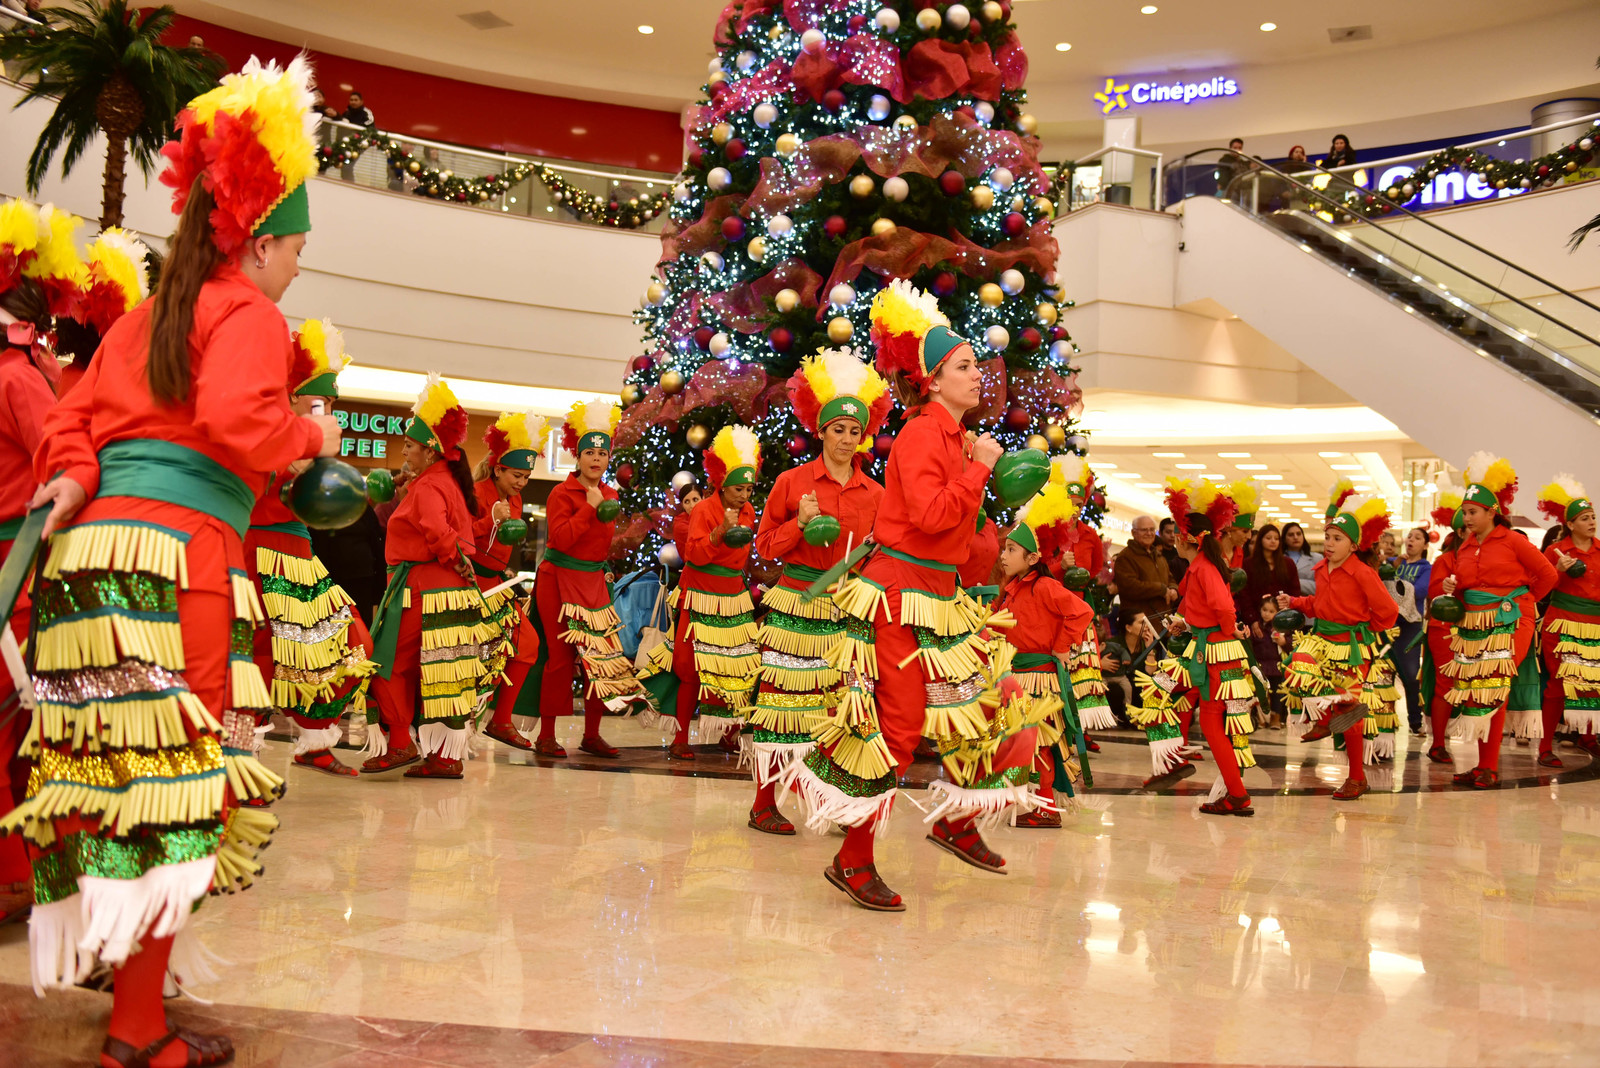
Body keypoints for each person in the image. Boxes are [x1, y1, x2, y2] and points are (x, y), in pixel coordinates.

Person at [0, 56, 336, 1065]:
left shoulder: (145, 317)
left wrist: (67, 473)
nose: (295, 270)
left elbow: (69, 422)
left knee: (110, 772)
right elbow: (243, 422)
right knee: (183, 784)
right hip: (179, 566)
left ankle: (125, 969)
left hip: (91, 565)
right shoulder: (249, 314)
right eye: (297, 252)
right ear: (267, 243)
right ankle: (139, 1030)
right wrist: (312, 437)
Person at [783, 280, 1042, 911]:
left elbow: (958, 536)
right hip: (899, 600)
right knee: (896, 731)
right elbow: (928, 517)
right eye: (964, 366)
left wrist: (994, 501)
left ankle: (955, 820)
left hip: (941, 600)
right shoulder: (929, 434)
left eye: (977, 364)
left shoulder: (955, 439)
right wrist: (982, 470)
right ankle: (852, 861)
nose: (978, 374)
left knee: (985, 705)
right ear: (931, 380)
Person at [0, 200, 118, 927]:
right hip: (18, 565)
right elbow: (64, 457)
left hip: (16, 562)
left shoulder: (24, 373)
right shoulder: (20, 378)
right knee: (18, 727)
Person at [747, 350, 887, 834]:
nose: (847, 439)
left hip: (849, 610)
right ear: (821, 431)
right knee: (783, 705)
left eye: (855, 431)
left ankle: (831, 799)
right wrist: (799, 525)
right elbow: (764, 547)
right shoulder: (791, 482)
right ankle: (764, 803)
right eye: (838, 430)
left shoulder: (876, 495)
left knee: (842, 706)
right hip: (796, 604)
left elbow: (882, 555)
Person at [244, 318, 378, 778]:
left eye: (334, 398)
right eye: (321, 397)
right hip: (257, 547)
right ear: (295, 394)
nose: (330, 405)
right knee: (259, 652)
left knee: (347, 641)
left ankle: (314, 741)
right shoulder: (267, 424)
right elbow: (249, 480)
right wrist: (286, 467)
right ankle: (242, 753)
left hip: (300, 551)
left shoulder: (312, 438)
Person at [361, 373, 508, 779]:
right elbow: (460, 528)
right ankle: (445, 757)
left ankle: (400, 744)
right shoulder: (445, 481)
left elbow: (438, 531)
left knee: (384, 664)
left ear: (429, 450)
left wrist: (452, 554)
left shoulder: (429, 486)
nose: (403, 452)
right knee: (444, 670)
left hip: (421, 587)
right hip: (449, 591)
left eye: (408, 446)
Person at [1133, 477, 1259, 813]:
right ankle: (1230, 790)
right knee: (1191, 712)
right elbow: (1202, 607)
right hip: (1206, 650)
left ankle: (1204, 778)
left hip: (1211, 653)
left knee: (1164, 698)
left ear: (1187, 539)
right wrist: (1184, 621)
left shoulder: (1203, 568)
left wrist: (1229, 631)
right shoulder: (1200, 567)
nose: (1172, 536)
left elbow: (1222, 607)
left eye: (1176, 531)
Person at [526, 399, 643, 758]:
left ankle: (591, 735)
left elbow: (600, 543)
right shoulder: (562, 493)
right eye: (589, 452)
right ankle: (546, 735)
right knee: (559, 658)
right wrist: (588, 508)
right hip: (557, 579)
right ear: (577, 458)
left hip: (592, 583)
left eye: (602, 453)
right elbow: (560, 539)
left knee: (600, 659)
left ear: (608, 459)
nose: (596, 458)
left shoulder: (610, 494)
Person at [640, 424, 761, 759]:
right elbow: (693, 555)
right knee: (690, 667)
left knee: (739, 665)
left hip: (733, 596)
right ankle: (681, 739)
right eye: (739, 489)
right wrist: (720, 531)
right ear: (721, 484)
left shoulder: (749, 511)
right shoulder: (704, 510)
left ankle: (730, 733)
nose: (745, 496)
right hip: (700, 594)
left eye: (749, 490)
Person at [1439, 453, 1557, 788]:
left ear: (1492, 512)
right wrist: (1453, 586)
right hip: (1475, 625)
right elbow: (1464, 586)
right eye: (1464, 512)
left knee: (1494, 688)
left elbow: (1547, 575)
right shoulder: (1465, 546)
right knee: (1479, 689)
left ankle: (1488, 767)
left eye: (1473, 512)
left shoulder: (1514, 541)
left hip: (1511, 622)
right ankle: (1482, 765)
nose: (1467, 518)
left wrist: (1524, 600)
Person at [1279, 492, 1399, 801]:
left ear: (1354, 546)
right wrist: (1294, 602)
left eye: (1337, 538)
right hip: (1321, 640)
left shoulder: (1362, 572)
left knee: (1350, 712)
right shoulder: (1321, 570)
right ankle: (1324, 719)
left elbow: (1388, 612)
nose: (1329, 543)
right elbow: (1320, 605)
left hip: (1351, 647)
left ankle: (1356, 778)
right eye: (1328, 536)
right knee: (1297, 667)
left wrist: (1364, 630)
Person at [995, 483, 1100, 828]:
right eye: (1005, 548)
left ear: (1032, 558)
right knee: (1024, 741)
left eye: (1011, 550)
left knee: (1040, 742)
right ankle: (1027, 801)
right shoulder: (1011, 590)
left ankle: (1045, 808)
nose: (1003, 555)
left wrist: (1061, 645)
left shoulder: (1044, 586)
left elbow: (1081, 612)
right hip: (1018, 674)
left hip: (1040, 675)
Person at [465, 411, 545, 751]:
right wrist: (489, 521)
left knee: (526, 644)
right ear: (498, 468)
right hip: (469, 583)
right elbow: (459, 538)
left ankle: (500, 720)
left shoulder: (515, 498)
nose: (522, 482)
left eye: (526, 477)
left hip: (496, 583)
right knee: (468, 655)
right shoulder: (474, 492)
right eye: (517, 475)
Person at [1537, 476, 1600, 766]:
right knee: (1559, 686)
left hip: (1595, 625)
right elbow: (1539, 589)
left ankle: (1588, 738)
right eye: (1585, 518)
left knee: (1592, 684)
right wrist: (1558, 572)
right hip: (1562, 623)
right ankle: (1544, 747)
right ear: (1571, 524)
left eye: (1593, 517)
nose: (1591, 522)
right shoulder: (1556, 551)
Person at [1421, 478, 1465, 762]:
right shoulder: (1445, 560)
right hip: (1445, 629)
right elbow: (1435, 593)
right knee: (1445, 685)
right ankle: (1438, 742)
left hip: (1482, 628)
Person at [1393, 527, 1432, 732]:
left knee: (1410, 673)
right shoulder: (1395, 564)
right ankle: (1385, 720)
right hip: (1389, 622)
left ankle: (1415, 721)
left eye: (1417, 538)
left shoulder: (1426, 567)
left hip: (1411, 625)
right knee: (1383, 672)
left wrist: (1397, 587)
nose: (1412, 540)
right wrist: (1394, 568)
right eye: (1409, 536)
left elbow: (1421, 590)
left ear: (1425, 545)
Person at [1046, 456, 1104, 584]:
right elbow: (1033, 572)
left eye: (1079, 505)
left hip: (1078, 599)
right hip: (1050, 598)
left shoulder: (1090, 535)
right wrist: (1059, 566)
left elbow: (1096, 567)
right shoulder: (1045, 532)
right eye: (1069, 504)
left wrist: (1081, 582)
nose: (1074, 510)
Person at [1113, 514, 1177, 630]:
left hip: (1162, 624)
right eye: (1144, 530)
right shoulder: (1126, 557)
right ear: (1133, 532)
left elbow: (1170, 578)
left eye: (1152, 529)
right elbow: (1130, 587)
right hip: (1139, 627)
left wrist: (1173, 589)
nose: (1149, 533)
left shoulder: (1158, 556)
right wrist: (1160, 589)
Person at [1240, 522, 1300, 633]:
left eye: (1276, 538)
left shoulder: (1288, 563)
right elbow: (1244, 594)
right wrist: (1252, 619)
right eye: (1268, 538)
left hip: (1283, 619)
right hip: (1257, 619)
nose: (1273, 541)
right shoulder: (1249, 564)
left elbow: (1295, 592)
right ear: (1260, 540)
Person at [1282, 521, 1316, 594]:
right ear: (1284, 539)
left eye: (1298, 534)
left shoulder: (1317, 558)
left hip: (1308, 602)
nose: (1295, 537)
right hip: (1283, 602)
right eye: (1291, 535)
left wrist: (1295, 582)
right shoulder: (1277, 559)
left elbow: (1321, 586)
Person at [1158, 515, 1188, 584]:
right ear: (1160, 533)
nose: (1172, 535)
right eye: (1168, 532)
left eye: (1174, 532)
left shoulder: (1180, 555)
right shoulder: (1155, 554)